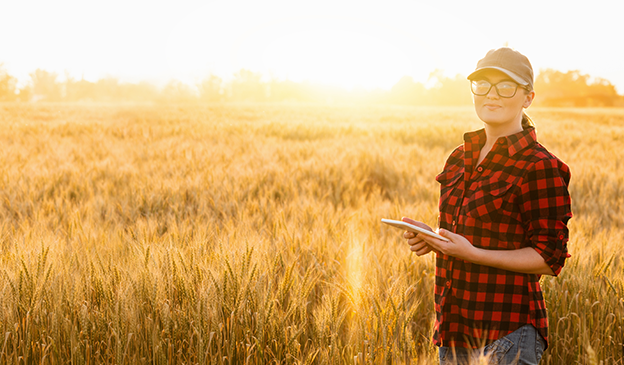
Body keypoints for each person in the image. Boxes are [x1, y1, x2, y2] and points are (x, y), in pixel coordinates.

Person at [402, 48, 572, 364]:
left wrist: (473, 254)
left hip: (507, 334)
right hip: (453, 332)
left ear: (528, 97)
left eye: (506, 86)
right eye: (482, 85)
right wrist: (433, 239)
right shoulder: (458, 158)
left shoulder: (539, 166)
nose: (491, 95)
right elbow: (467, 234)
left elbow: (550, 258)